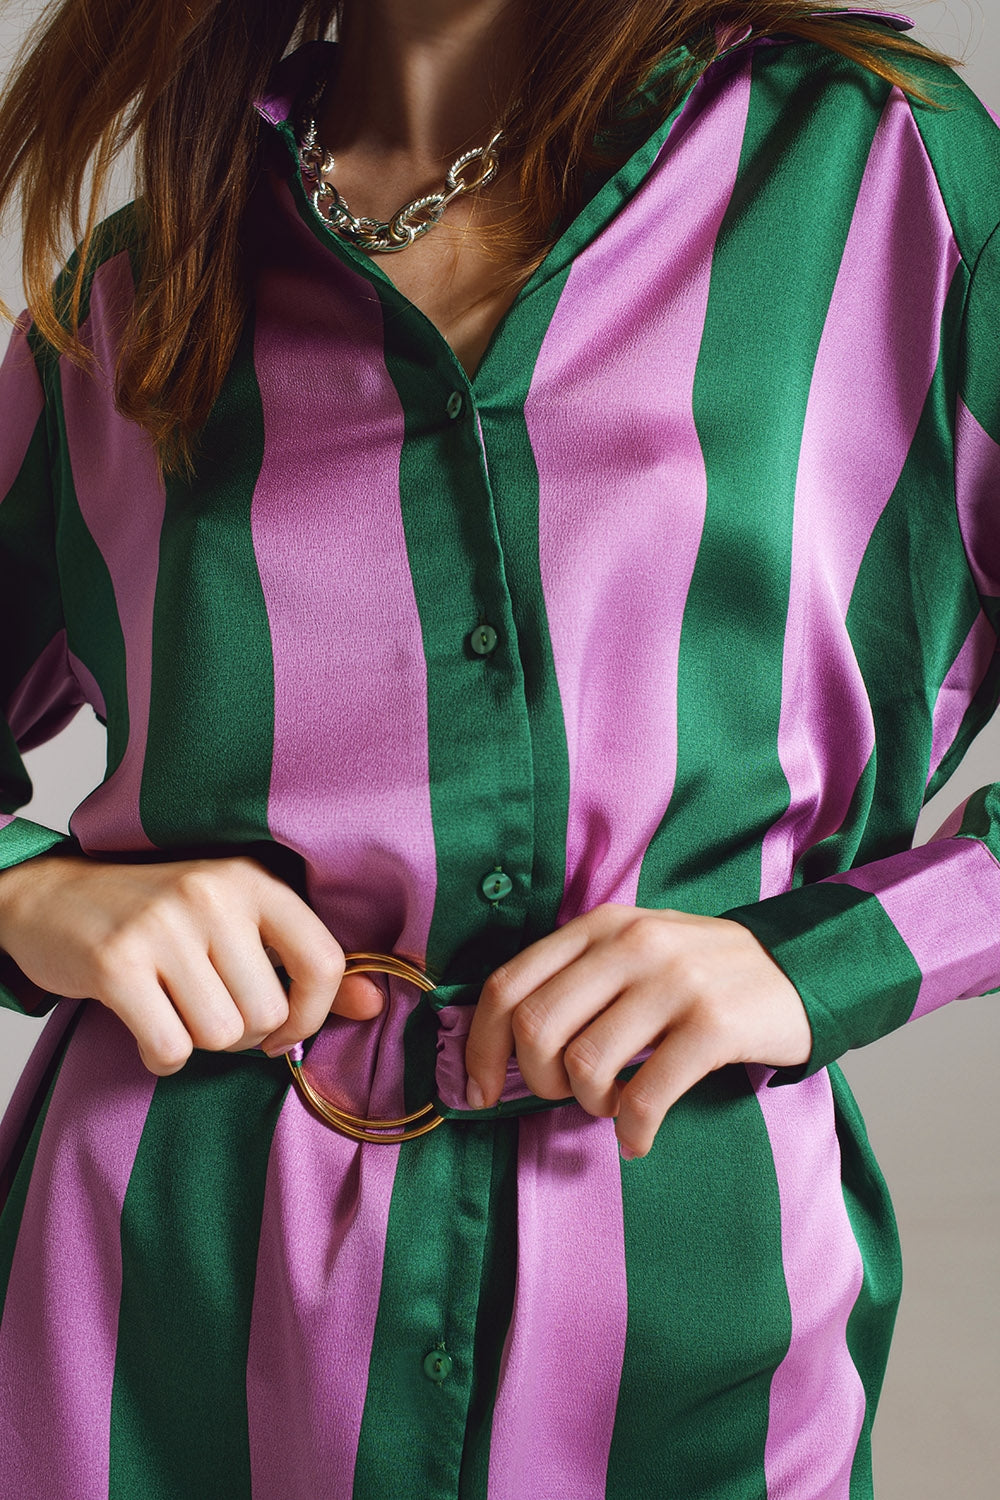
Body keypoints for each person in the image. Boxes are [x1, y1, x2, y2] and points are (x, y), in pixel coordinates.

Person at [0, 0, 997, 1494]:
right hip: (145, 1341)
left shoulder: (882, 179)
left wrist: (816, 960)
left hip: (689, 1333)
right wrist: (32, 894)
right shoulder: (138, 291)